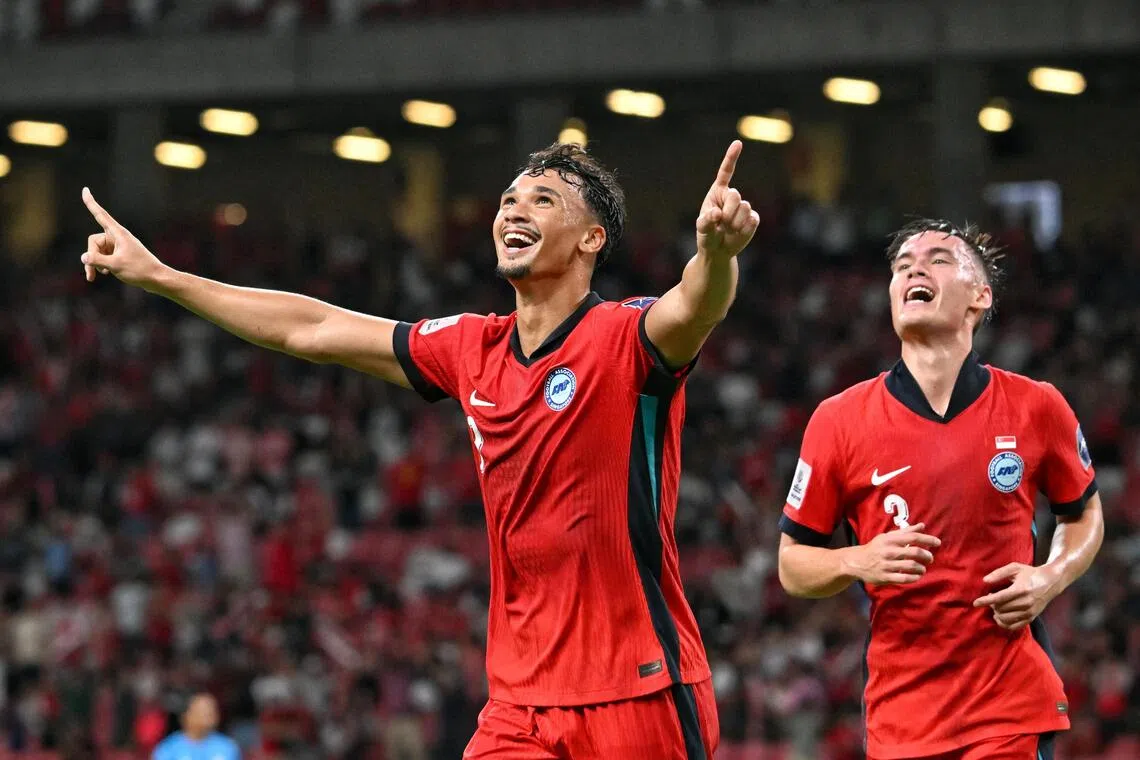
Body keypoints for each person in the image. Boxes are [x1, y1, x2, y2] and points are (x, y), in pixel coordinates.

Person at [81, 140, 761, 759]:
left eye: (542, 200)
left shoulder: (624, 337)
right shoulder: (471, 348)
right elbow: (311, 328)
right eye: (509, 199)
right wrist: (163, 276)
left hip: (638, 690)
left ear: (591, 238)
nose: (514, 209)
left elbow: (694, 307)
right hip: (518, 705)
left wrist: (716, 255)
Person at [776, 219, 1104, 760]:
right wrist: (856, 560)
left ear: (980, 296)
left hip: (1009, 709)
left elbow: (1083, 513)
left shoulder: (1036, 405)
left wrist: (1050, 576)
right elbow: (792, 565)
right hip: (902, 717)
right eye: (903, 265)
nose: (915, 270)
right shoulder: (838, 420)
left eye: (939, 260)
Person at [153, 693, 240, 760]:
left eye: (212, 711)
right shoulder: (169, 748)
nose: (209, 715)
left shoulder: (228, 746)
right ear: (186, 715)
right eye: (202, 711)